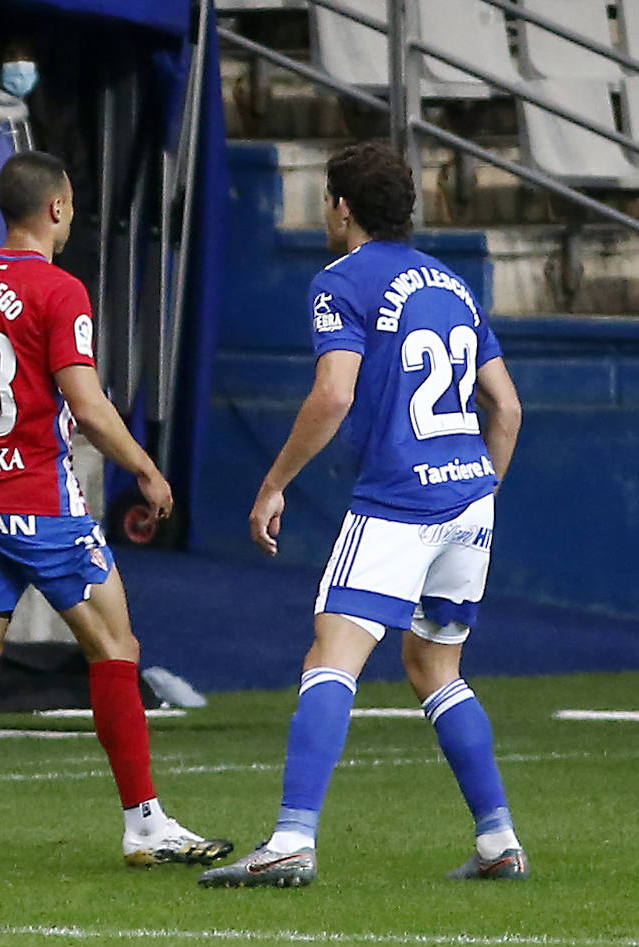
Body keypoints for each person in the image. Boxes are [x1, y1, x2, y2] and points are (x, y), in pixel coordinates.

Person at [197, 141, 526, 888]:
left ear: (343, 207)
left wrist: (274, 481)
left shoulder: (340, 281)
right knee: (435, 663)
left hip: (399, 498)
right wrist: (482, 494)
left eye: (325, 200)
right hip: (469, 495)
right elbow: (505, 406)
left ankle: (290, 837)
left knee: (330, 655)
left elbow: (334, 393)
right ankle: (498, 837)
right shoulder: (454, 283)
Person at [0, 150, 233, 871]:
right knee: (116, 649)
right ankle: (144, 823)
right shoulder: (60, 290)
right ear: (57, 208)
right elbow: (85, 403)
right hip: (40, 505)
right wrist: (144, 466)